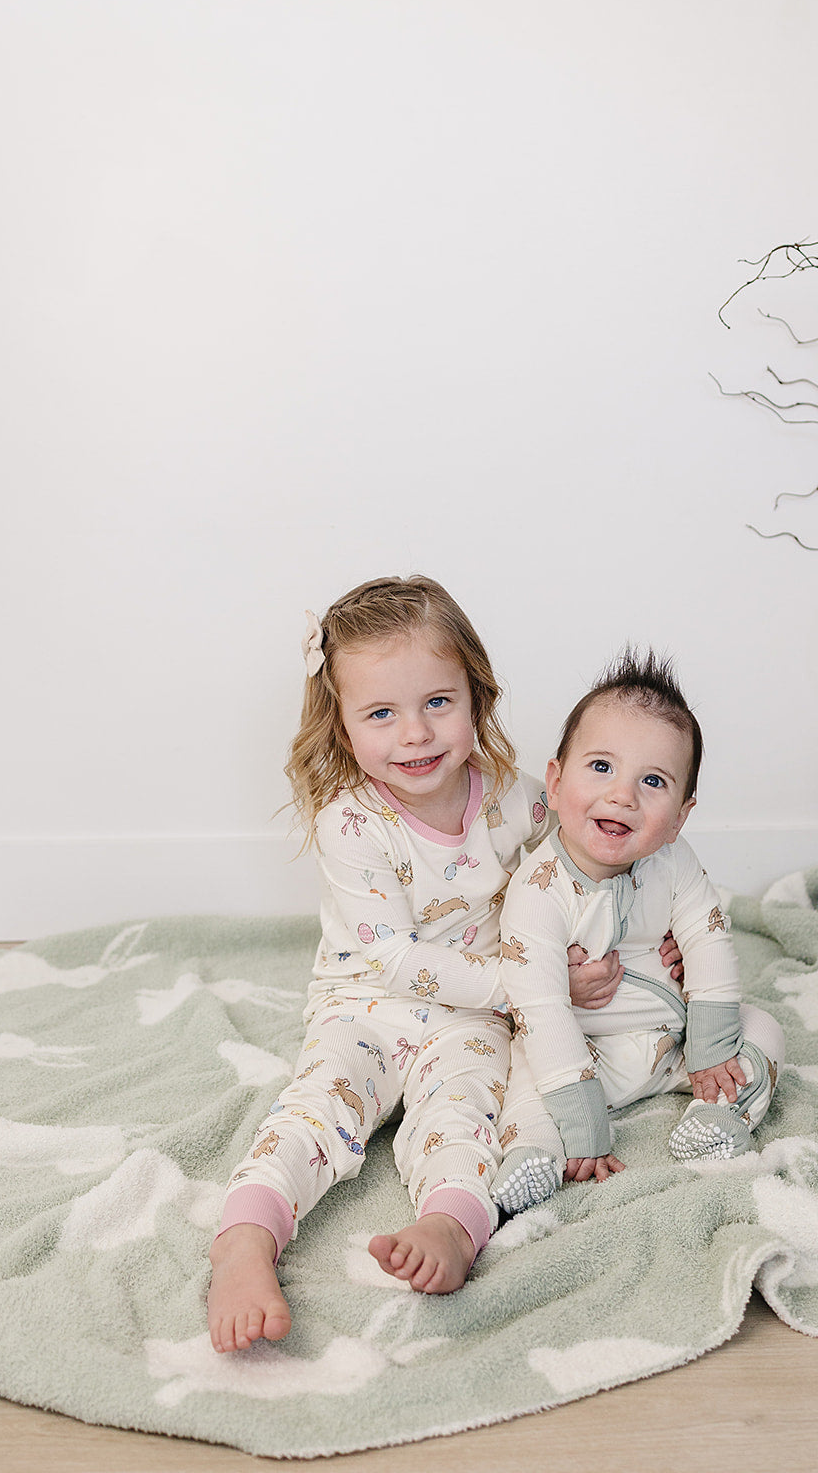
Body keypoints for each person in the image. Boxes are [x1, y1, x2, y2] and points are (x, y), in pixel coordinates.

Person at [207, 576, 628, 1353]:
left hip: (474, 1018)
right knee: (316, 1108)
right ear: (341, 725)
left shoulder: (517, 800)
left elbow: (577, 874)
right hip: (365, 1005)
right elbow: (392, 957)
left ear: (476, 697)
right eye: (380, 713)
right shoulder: (351, 823)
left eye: (438, 702)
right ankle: (245, 1241)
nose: (415, 734)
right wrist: (531, 988)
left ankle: (451, 1225)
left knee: (463, 1116)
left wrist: (633, 940)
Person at [492, 647, 785, 1215]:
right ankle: (536, 1152)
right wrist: (584, 1122)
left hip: (676, 1045)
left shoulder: (673, 861)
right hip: (585, 1054)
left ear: (680, 816)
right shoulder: (538, 890)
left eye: (652, 781)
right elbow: (543, 1009)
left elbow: (708, 936)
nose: (622, 795)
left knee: (762, 1027)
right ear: (555, 783)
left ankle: (717, 1113)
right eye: (601, 767)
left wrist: (710, 1047)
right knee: (525, 1070)